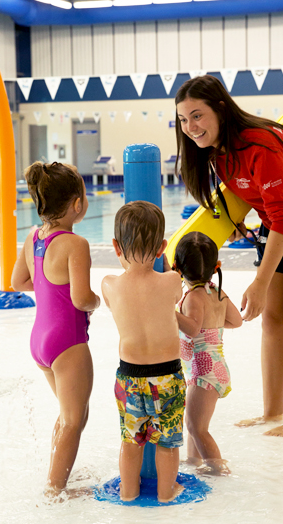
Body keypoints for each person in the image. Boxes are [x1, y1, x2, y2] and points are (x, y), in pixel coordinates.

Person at [175, 75, 283, 437]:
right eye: (183, 120)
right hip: (279, 224)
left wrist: (259, 282)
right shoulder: (216, 153)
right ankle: (272, 412)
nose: (190, 127)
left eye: (197, 116)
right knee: (272, 320)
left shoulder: (260, 144)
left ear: (220, 110)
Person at [10, 162, 99, 497]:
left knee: (70, 414)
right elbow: (81, 299)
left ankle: (58, 473)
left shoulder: (33, 237)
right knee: (74, 420)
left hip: (40, 340)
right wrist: (98, 302)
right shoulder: (75, 245)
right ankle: (54, 490)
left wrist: (50, 289)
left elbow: (18, 281)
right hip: (68, 341)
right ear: (77, 204)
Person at [100, 201, 186, 503]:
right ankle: (166, 494)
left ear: (115, 247)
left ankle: (128, 493)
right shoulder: (172, 281)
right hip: (168, 378)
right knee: (168, 443)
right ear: (163, 247)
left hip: (129, 378)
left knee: (131, 441)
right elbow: (175, 300)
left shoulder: (109, 285)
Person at [173, 232, 243, 476]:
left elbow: (192, 328)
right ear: (216, 267)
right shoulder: (217, 292)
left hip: (203, 371)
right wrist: (214, 326)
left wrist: (169, 312)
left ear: (177, 268)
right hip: (215, 367)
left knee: (195, 425)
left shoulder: (193, 296)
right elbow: (236, 321)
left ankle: (219, 470)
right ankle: (194, 461)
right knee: (195, 424)